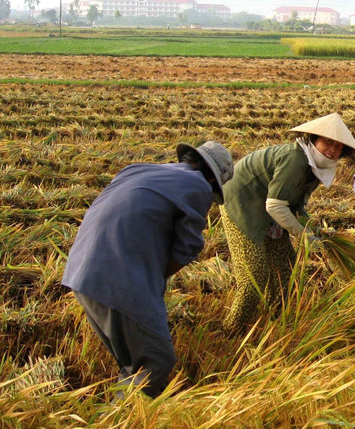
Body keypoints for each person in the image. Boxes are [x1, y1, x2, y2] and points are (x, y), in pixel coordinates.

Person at [62, 141, 234, 398]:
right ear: (212, 179)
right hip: (118, 277)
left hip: (81, 271)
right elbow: (187, 246)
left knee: (132, 358)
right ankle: (118, 427)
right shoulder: (198, 185)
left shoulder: (137, 169)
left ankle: (128, 416)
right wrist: (155, 282)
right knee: (155, 361)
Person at [220, 113, 355, 333]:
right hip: (242, 204)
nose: (332, 150)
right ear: (314, 139)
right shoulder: (295, 159)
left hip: (266, 207)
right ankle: (232, 331)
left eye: (338, 146)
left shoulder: (314, 166)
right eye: (328, 142)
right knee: (254, 276)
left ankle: (275, 320)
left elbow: (294, 206)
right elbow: (276, 206)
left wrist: (316, 231)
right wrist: (305, 236)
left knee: (285, 270)